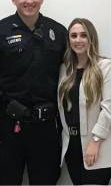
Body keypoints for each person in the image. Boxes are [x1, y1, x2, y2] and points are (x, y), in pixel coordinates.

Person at [0, 0, 67, 185]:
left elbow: (71, 77)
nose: (29, 1)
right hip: (8, 128)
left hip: (46, 128)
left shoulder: (58, 32)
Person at [58, 18, 111, 185]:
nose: (78, 40)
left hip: (97, 146)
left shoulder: (105, 67)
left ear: (91, 38)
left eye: (83, 35)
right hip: (71, 147)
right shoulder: (65, 70)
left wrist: (95, 142)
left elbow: (108, 107)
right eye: (73, 36)